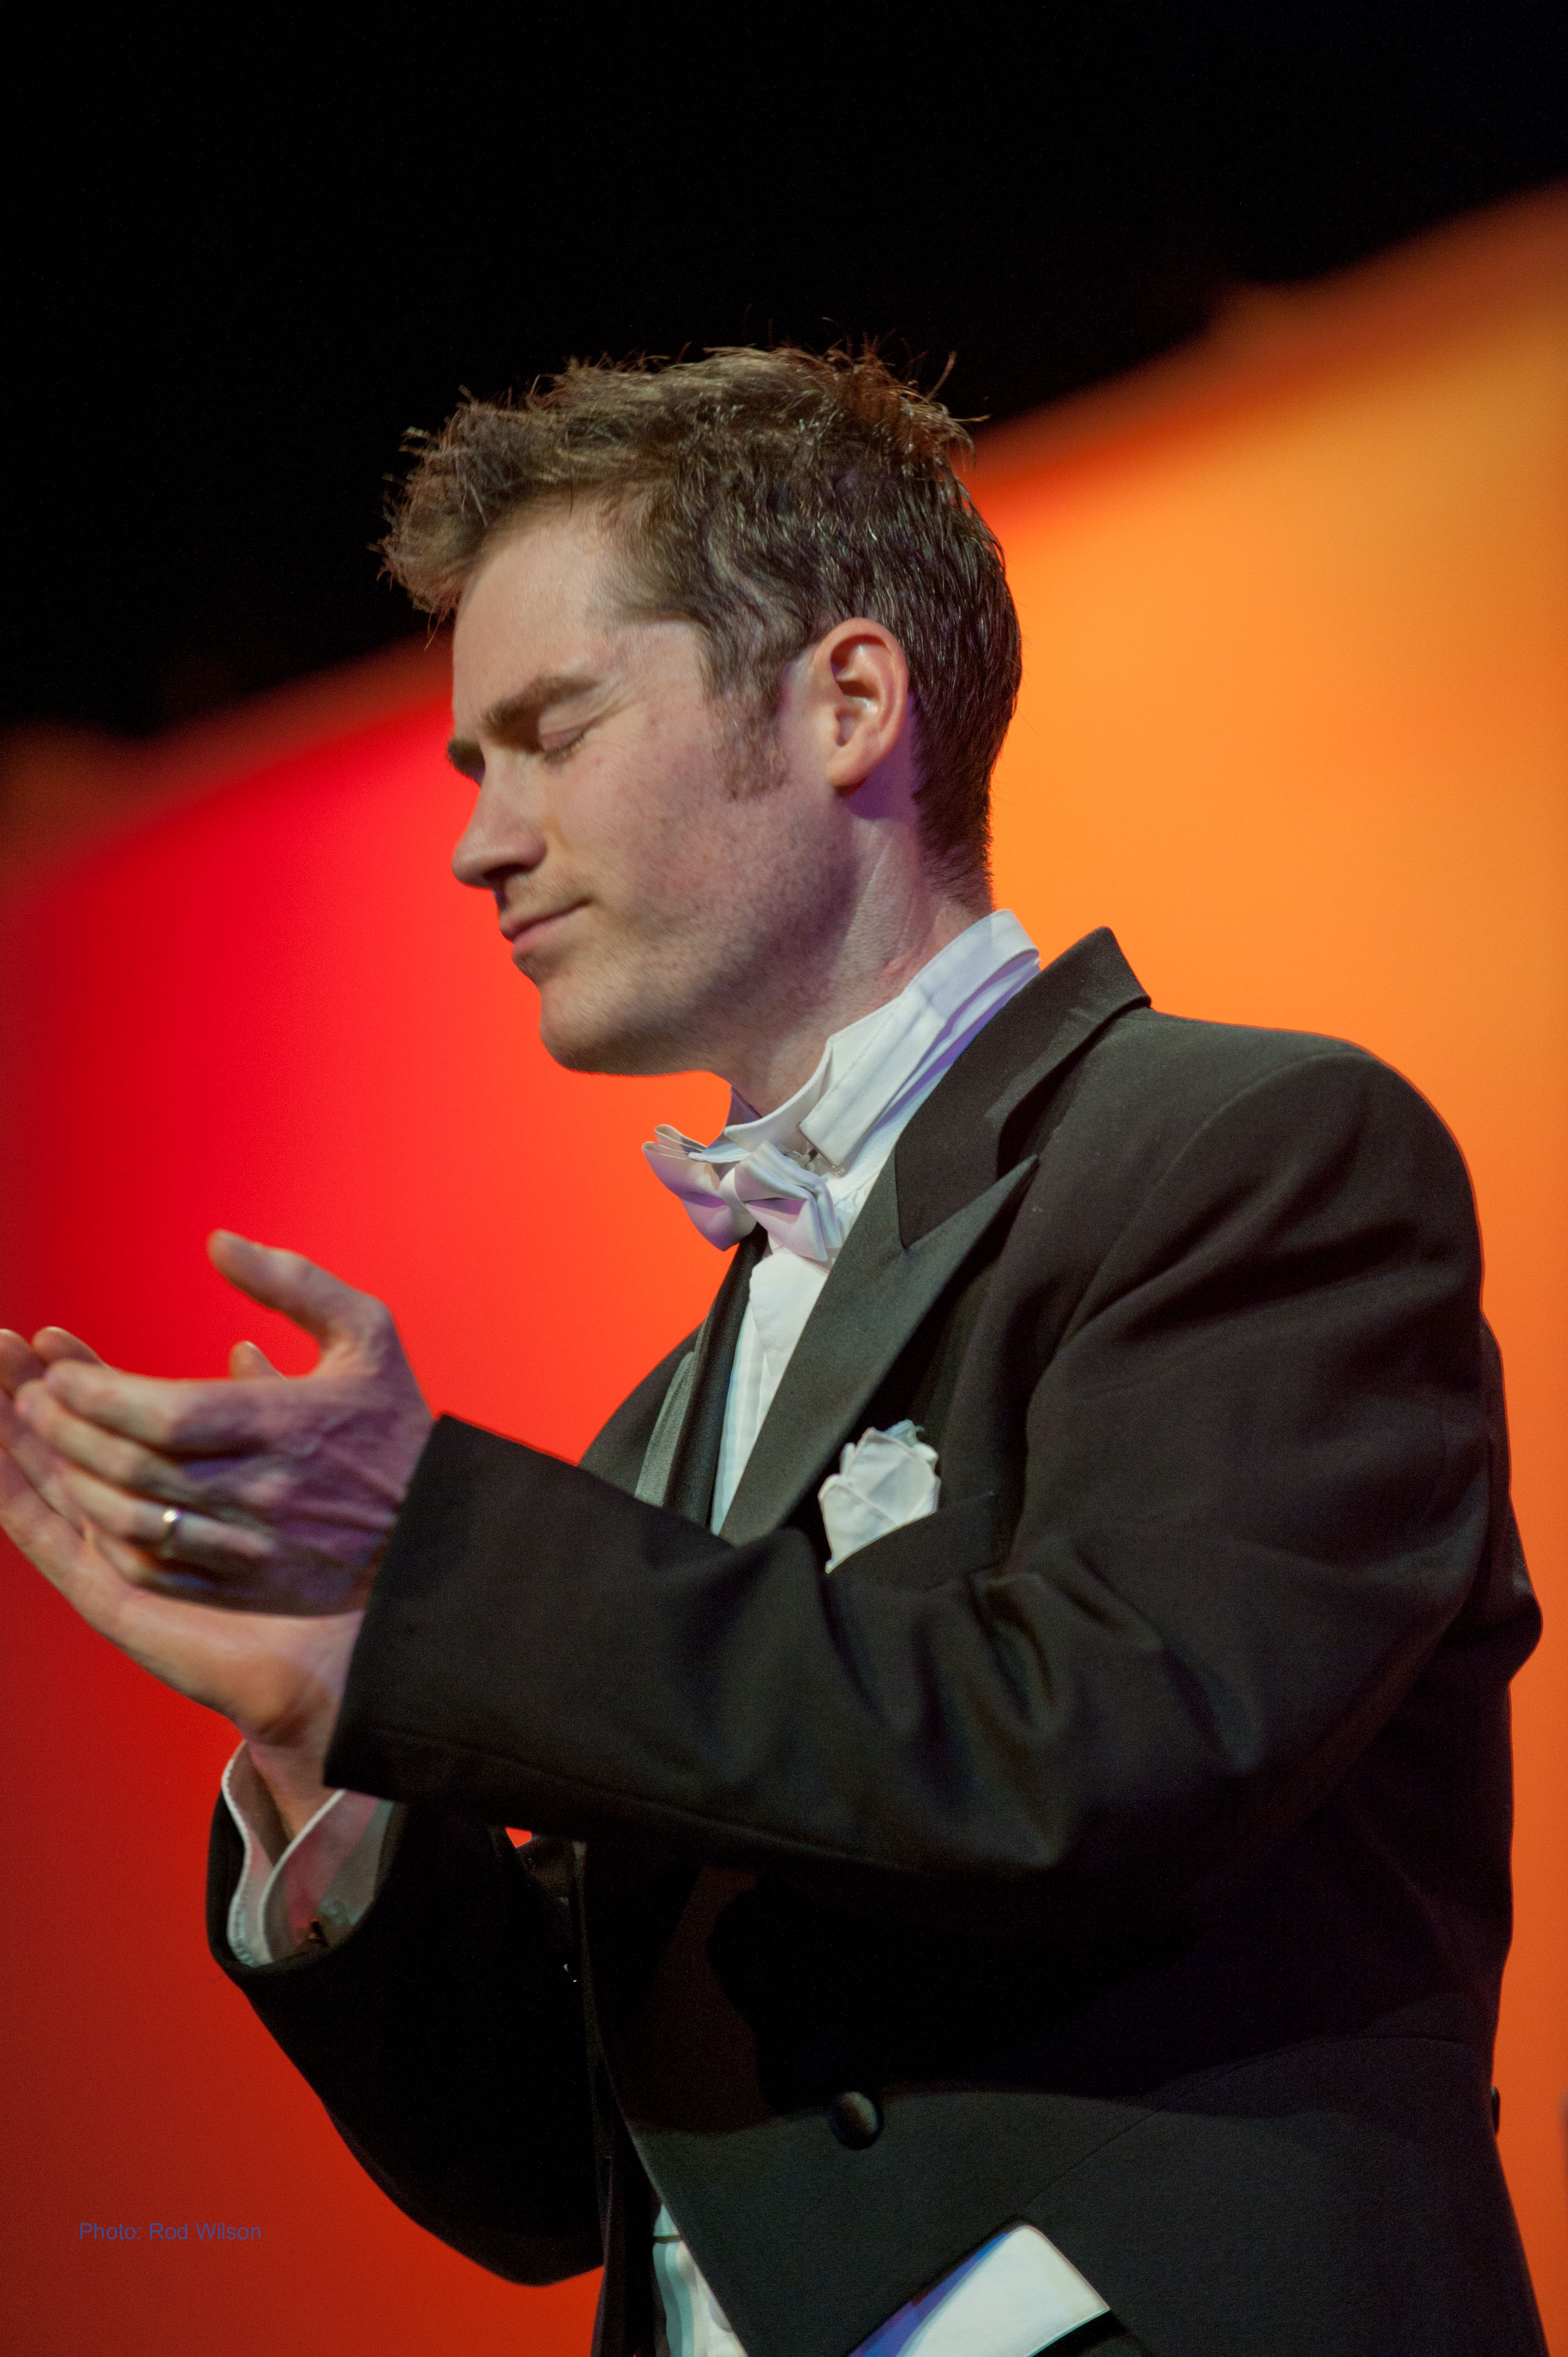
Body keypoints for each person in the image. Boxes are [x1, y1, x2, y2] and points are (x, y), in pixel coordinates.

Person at [0, 347, 1547, 2357]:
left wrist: (444, 1562)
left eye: (550, 733)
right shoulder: (663, 1431)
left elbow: (1096, 1757)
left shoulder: (1256, 1152)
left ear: (848, 705)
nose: (481, 844)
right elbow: (547, 2180)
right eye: (473, 767)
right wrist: (327, 1728)